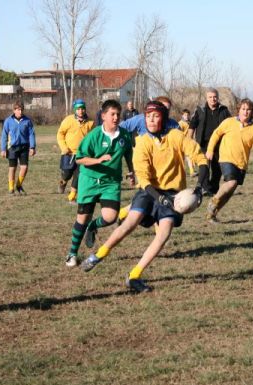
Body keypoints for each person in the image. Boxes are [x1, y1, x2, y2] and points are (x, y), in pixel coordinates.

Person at [79, 101, 209, 293]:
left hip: (173, 194)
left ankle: (134, 276)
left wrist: (199, 188)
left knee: (163, 234)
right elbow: (144, 179)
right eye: (148, 116)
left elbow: (200, 159)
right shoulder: (142, 142)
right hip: (149, 192)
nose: (151, 120)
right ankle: (98, 255)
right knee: (130, 223)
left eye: (155, 116)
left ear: (163, 118)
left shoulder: (175, 136)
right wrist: (160, 198)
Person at [64, 99, 132, 268]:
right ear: (103, 116)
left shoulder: (124, 135)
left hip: (110, 182)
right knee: (82, 218)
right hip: (89, 181)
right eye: (112, 114)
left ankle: (93, 226)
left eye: (118, 114)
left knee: (111, 217)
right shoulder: (94, 135)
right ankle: (72, 254)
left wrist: (132, 171)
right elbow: (80, 159)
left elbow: (129, 155)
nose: (116, 117)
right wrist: (98, 159)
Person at [205, 98, 253, 223]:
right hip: (226, 158)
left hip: (241, 163)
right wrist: (210, 150)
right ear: (239, 110)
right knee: (231, 182)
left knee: (229, 193)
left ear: (252, 112)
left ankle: (212, 214)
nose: (245, 112)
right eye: (243, 109)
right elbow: (216, 134)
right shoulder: (229, 122)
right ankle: (214, 200)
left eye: (248, 109)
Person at [187, 88, 232, 195]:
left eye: (215, 97)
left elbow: (231, 125)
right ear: (206, 98)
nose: (213, 99)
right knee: (204, 167)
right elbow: (192, 125)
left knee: (217, 169)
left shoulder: (224, 110)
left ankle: (213, 188)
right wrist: (189, 141)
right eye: (210, 97)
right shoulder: (199, 110)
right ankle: (205, 189)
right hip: (203, 144)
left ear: (218, 97)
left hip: (219, 145)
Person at [56, 98, 94, 203]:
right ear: (75, 110)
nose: (80, 111)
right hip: (68, 153)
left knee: (79, 175)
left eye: (82, 109)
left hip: (82, 155)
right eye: (78, 109)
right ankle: (63, 182)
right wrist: (64, 147)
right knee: (67, 174)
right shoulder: (68, 120)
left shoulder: (90, 122)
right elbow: (60, 134)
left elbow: (93, 138)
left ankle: (72, 196)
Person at [0, 100, 36, 195]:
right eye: (18, 110)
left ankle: (19, 185)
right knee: (12, 168)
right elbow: (4, 135)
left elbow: (31, 134)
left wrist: (32, 147)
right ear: (14, 110)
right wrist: (3, 149)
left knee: (24, 167)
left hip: (24, 147)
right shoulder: (8, 121)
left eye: (21, 110)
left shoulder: (27, 121)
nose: (20, 112)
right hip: (12, 148)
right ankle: (11, 188)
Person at [178, 109, 197, 177]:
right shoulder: (180, 123)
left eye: (188, 115)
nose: (187, 116)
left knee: (190, 157)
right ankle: (180, 172)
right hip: (182, 142)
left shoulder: (189, 122)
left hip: (189, 142)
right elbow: (179, 133)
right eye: (185, 115)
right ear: (182, 115)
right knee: (182, 158)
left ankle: (192, 171)